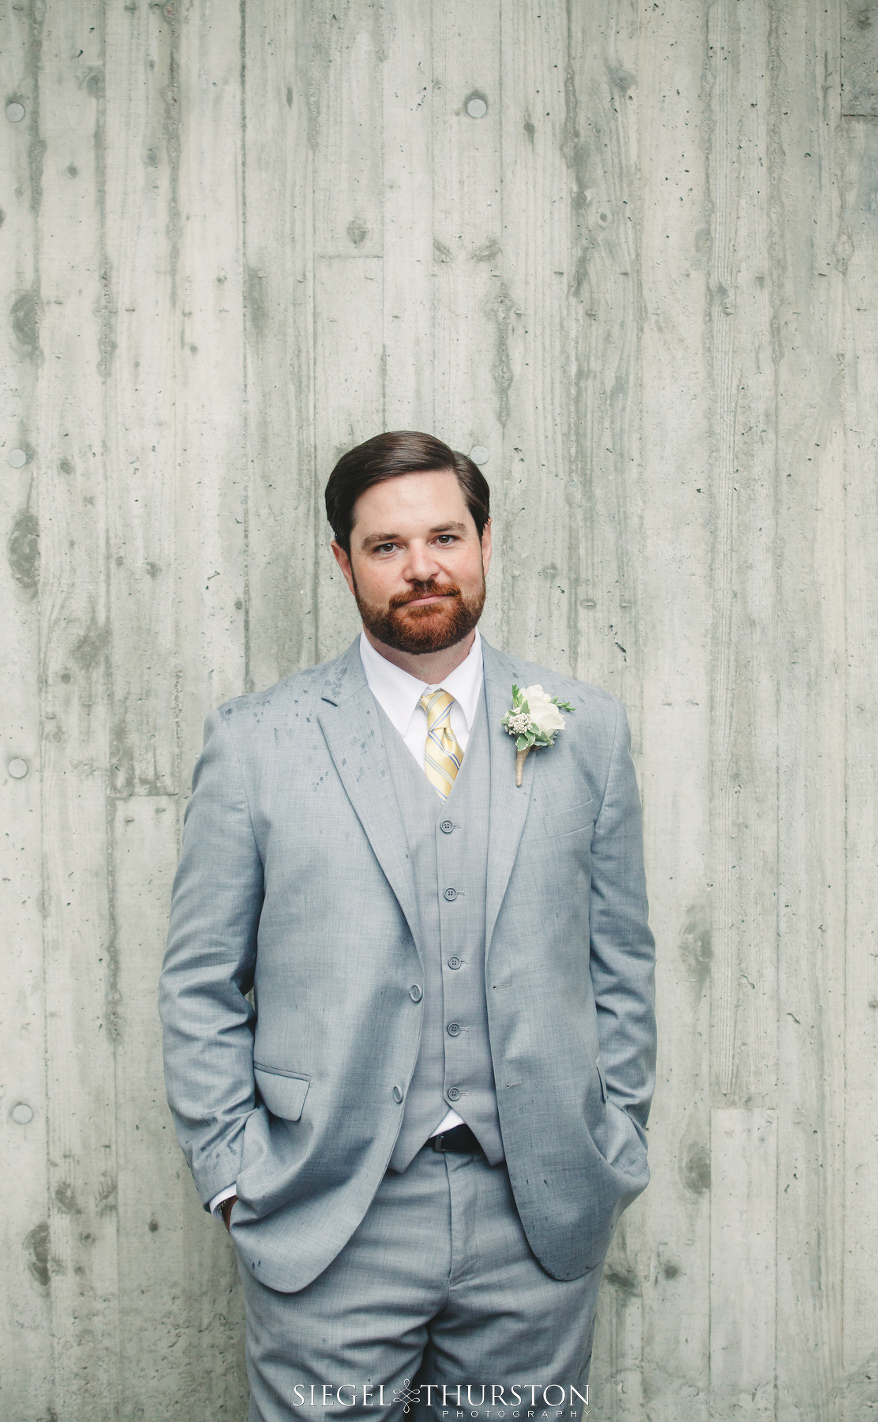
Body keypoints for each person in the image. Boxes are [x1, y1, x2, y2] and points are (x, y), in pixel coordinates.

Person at [159, 430, 656, 1422]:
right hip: (329, 1210)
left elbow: (623, 961)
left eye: (446, 536)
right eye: (387, 546)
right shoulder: (255, 741)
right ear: (343, 561)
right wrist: (236, 1178)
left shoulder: (580, 727)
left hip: (539, 1208)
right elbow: (200, 979)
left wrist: (616, 1139)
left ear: (483, 543)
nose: (422, 566)